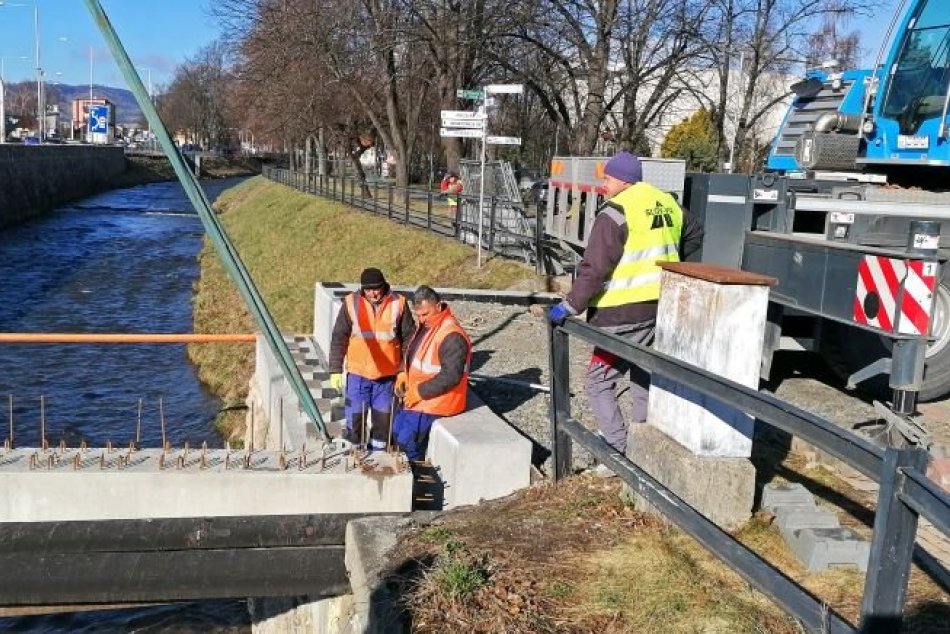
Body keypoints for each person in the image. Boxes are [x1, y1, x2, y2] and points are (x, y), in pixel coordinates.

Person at [547, 151, 704, 457]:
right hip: (658, 307)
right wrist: (675, 264)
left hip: (621, 313)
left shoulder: (615, 212)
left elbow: (595, 268)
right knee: (643, 373)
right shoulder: (667, 203)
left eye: (607, 179)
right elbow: (696, 232)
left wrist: (569, 306)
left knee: (597, 382)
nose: (604, 185)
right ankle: (646, 442)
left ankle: (617, 450)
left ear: (622, 180)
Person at [329, 268, 415, 450]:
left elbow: (410, 339)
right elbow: (339, 337)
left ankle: (379, 459)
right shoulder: (351, 303)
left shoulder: (398, 304)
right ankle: (356, 457)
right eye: (368, 290)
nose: (373, 294)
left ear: (383, 286)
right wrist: (335, 370)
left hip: (386, 378)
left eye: (376, 289)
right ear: (362, 289)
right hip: (357, 377)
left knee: (383, 426)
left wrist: (403, 370)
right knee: (355, 422)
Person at [393, 285, 472, 461]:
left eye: (425, 314)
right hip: (418, 397)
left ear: (438, 306)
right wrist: (402, 373)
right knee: (397, 431)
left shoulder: (452, 335)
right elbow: (412, 352)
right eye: (418, 315)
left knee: (407, 441)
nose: (421, 319)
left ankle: (415, 478)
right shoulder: (426, 326)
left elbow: (451, 376)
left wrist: (418, 392)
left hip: (438, 402)